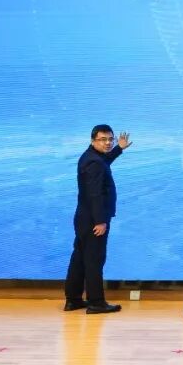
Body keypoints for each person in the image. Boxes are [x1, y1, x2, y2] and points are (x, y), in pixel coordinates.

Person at [63, 125, 131, 314]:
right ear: (93, 140)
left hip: (84, 218)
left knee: (79, 260)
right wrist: (100, 221)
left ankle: (73, 300)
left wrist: (119, 149)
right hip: (93, 221)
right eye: (103, 139)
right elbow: (94, 194)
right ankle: (96, 302)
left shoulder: (92, 158)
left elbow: (105, 162)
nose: (108, 143)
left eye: (110, 139)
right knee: (94, 260)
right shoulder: (94, 162)